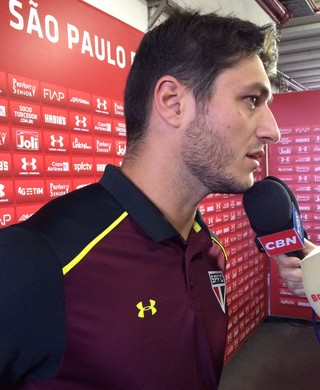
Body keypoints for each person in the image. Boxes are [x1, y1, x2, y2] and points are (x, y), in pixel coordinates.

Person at [0, 8, 307, 390]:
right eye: (251, 100)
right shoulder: (36, 259)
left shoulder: (209, 250)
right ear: (173, 102)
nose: (272, 131)